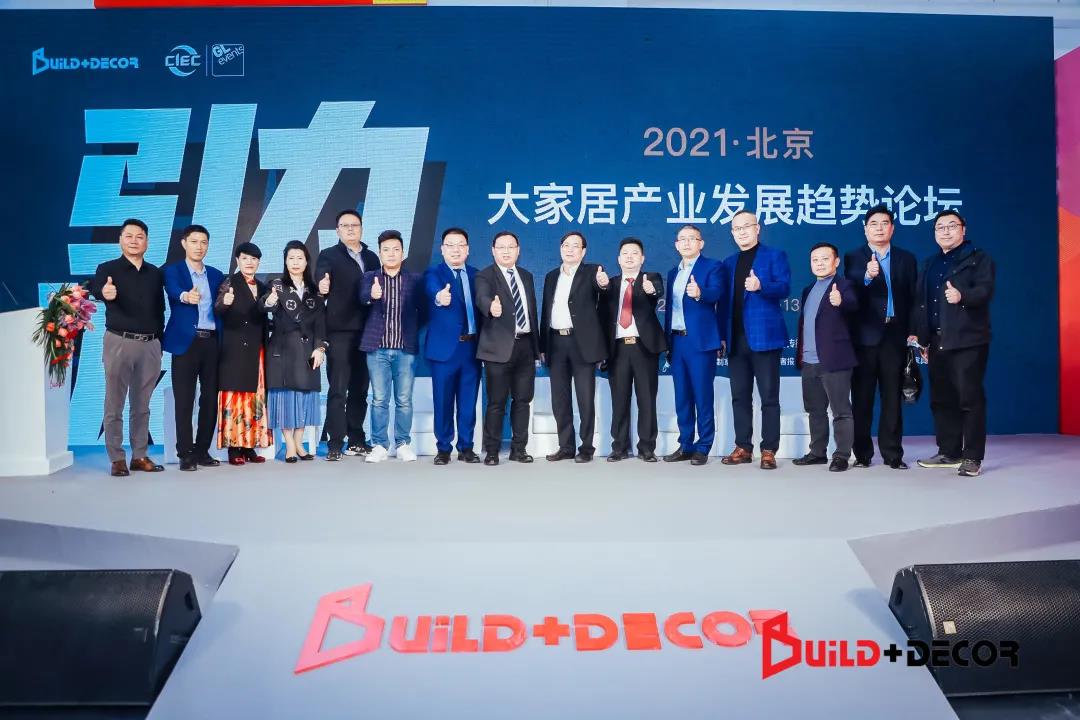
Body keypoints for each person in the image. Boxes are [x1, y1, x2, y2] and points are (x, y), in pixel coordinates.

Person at [910, 210, 995, 477]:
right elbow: (921, 304)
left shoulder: (978, 258)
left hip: (968, 340)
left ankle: (972, 457)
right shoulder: (930, 263)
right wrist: (920, 337)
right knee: (942, 399)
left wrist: (962, 296)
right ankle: (949, 451)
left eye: (951, 226)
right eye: (940, 227)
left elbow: (985, 291)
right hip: (937, 341)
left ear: (963, 230)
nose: (945, 231)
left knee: (969, 398)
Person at [843, 205, 918, 470]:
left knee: (892, 398)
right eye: (873, 224)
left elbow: (914, 298)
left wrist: (914, 331)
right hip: (864, 338)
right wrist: (867, 276)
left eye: (884, 223)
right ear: (865, 229)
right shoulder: (853, 257)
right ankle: (862, 454)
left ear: (892, 228)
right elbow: (850, 290)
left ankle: (893, 454)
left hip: (895, 336)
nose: (879, 228)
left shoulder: (906, 259)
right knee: (862, 399)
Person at [91, 218, 167, 477]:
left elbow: (160, 309)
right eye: (129, 236)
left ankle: (140, 455)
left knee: (142, 405)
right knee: (114, 403)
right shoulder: (107, 269)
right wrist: (104, 292)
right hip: (119, 341)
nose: (134, 241)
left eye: (140, 236)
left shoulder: (155, 273)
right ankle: (117, 458)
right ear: (120, 240)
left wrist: (159, 342)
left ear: (147, 242)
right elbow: (97, 289)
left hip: (150, 344)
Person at [720, 210, 791, 470]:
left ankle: (769, 449)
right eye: (736, 229)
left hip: (765, 338)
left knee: (769, 397)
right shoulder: (729, 262)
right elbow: (724, 303)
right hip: (736, 339)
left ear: (757, 228)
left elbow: (784, 288)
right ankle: (743, 447)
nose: (741, 232)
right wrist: (722, 336)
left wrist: (761, 286)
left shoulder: (774, 255)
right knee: (739, 396)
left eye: (746, 227)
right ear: (732, 233)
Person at [315, 209, 381, 461]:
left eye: (355, 225)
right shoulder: (328, 255)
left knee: (360, 389)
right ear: (337, 230)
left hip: (367, 331)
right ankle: (335, 442)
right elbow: (321, 278)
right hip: (339, 331)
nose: (350, 229)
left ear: (361, 228)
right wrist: (322, 285)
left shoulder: (372, 257)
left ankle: (356, 439)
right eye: (345, 225)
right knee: (338, 389)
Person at [539, 231, 609, 463]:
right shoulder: (551, 276)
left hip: (582, 344)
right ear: (560, 249)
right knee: (559, 399)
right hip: (555, 342)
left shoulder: (592, 271)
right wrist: (542, 345)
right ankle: (566, 446)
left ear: (583, 251)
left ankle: (586, 448)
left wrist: (603, 284)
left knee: (585, 398)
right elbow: (545, 311)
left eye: (575, 246)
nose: (570, 249)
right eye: (566, 245)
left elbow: (603, 290)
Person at [663, 224, 727, 466]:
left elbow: (717, 293)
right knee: (682, 397)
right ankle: (686, 444)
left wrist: (700, 293)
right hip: (677, 341)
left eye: (692, 238)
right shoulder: (673, 273)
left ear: (701, 243)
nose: (687, 242)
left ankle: (704, 446)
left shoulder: (712, 266)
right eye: (682, 239)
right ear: (676, 245)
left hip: (700, 342)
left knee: (703, 395)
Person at [163, 224, 225, 471]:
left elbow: (223, 304)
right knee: (184, 400)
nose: (199, 247)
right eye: (194, 241)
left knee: (210, 399)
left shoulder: (217, 274)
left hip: (212, 342)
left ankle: (202, 451)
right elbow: (173, 291)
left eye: (204, 242)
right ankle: (185, 453)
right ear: (184, 243)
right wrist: (186, 296)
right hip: (185, 344)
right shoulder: (173, 271)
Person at [475, 231, 540, 466]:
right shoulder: (485, 276)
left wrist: (537, 348)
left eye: (511, 247)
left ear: (518, 250)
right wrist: (490, 307)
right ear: (493, 251)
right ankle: (492, 451)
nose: (506, 251)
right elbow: (482, 298)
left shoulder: (526, 276)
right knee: (496, 403)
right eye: (501, 247)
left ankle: (519, 449)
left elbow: (531, 313)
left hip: (525, 346)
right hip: (498, 349)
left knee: (523, 401)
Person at [358, 230, 424, 463]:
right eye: (386, 250)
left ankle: (403, 443)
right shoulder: (370, 277)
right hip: (377, 349)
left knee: (404, 399)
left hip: (405, 349)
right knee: (379, 399)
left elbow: (424, 311)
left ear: (403, 253)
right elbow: (361, 298)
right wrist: (372, 295)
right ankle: (379, 444)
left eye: (396, 249)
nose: (391, 254)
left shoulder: (415, 280)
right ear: (380, 253)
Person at [793, 243, 859, 472]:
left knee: (841, 411)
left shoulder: (845, 285)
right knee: (815, 411)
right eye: (815, 260)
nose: (819, 264)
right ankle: (817, 452)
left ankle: (841, 455)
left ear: (836, 261)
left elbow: (854, 305)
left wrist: (841, 301)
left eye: (824, 259)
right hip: (809, 361)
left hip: (834, 360)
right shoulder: (808, 289)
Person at [603, 237, 667, 462]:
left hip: (644, 348)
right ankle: (619, 447)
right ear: (619, 259)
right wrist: (601, 286)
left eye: (634, 253)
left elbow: (656, 291)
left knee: (647, 400)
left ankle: (647, 447)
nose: (629, 257)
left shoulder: (651, 278)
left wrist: (651, 290)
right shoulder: (610, 284)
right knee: (619, 400)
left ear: (642, 258)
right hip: (618, 349)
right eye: (625, 253)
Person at [263, 240, 328, 463]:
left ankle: (300, 443)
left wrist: (320, 348)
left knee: (305, 398)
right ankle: (289, 444)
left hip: (308, 350)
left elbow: (321, 323)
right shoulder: (277, 286)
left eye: (300, 258)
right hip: (282, 349)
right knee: (285, 399)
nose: (295, 262)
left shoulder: (314, 291)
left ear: (307, 261)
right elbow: (265, 305)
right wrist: (270, 300)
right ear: (285, 261)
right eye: (291, 258)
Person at [423, 227, 482, 465]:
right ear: (442, 249)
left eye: (460, 245)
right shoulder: (434, 273)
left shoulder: (477, 275)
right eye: (450, 245)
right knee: (443, 402)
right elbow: (431, 289)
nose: (455, 250)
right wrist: (440, 297)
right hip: (444, 351)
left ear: (467, 249)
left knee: (468, 403)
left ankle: (466, 447)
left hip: (472, 349)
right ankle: (443, 448)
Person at [213, 242, 272, 466]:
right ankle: (233, 447)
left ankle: (249, 446)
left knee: (255, 397)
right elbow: (218, 308)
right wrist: (224, 303)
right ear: (237, 260)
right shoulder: (229, 282)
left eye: (254, 259)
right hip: (234, 348)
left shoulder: (263, 287)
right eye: (245, 258)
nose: (250, 262)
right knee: (234, 398)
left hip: (257, 349)